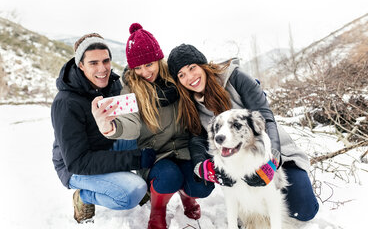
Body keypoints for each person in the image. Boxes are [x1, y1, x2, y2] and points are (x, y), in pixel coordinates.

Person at [167, 43, 320, 222]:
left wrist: (272, 161)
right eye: (181, 75)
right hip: (239, 165)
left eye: (192, 68)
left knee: (304, 209)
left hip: (274, 153)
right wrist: (203, 166)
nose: (190, 77)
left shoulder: (234, 78)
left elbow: (266, 117)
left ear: (203, 65)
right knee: (250, 217)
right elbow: (196, 139)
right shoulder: (189, 102)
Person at [92, 24, 214, 229]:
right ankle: (158, 210)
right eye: (137, 68)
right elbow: (130, 124)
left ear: (158, 59)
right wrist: (110, 128)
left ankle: (187, 196)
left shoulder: (177, 78)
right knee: (169, 177)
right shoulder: (131, 90)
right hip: (156, 155)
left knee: (202, 184)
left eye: (148, 64)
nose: (144, 72)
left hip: (185, 149)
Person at [51, 33, 156, 224]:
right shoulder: (66, 103)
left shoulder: (112, 85)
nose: (102, 68)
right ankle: (84, 197)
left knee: (151, 137)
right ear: (80, 65)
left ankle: (137, 179)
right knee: (131, 193)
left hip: (107, 147)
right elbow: (78, 162)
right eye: (93, 63)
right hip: (75, 167)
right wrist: (135, 159)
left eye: (106, 61)